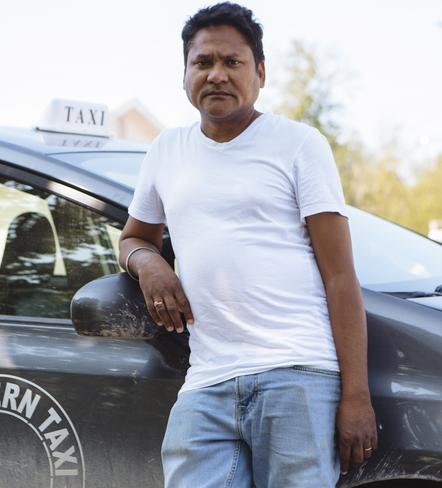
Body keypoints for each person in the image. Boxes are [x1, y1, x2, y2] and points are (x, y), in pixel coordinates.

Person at [118, 2, 378, 487]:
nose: (216, 74)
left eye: (232, 62)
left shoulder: (300, 145)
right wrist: (148, 263)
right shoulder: (166, 151)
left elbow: (341, 276)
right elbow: (133, 236)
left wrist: (356, 396)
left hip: (298, 376)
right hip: (207, 382)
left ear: (260, 72)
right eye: (203, 62)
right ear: (185, 74)